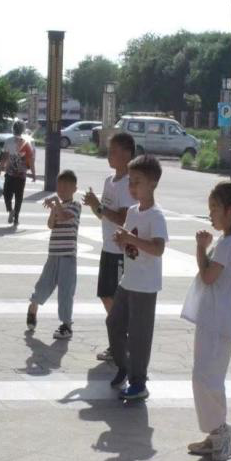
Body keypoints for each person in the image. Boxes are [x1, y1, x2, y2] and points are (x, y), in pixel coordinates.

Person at [181, 178, 231, 461]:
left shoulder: (228, 244)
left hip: (216, 321)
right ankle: (215, 434)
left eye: (214, 208)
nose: (210, 214)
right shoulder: (229, 242)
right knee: (206, 376)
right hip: (214, 319)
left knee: (207, 377)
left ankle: (221, 433)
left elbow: (208, 276)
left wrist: (201, 248)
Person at [107, 155, 168, 401]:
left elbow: (158, 248)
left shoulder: (156, 215)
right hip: (128, 280)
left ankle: (139, 382)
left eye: (137, 182)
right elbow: (130, 242)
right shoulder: (132, 211)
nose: (132, 187)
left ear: (153, 183)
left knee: (139, 335)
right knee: (114, 323)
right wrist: (122, 241)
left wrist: (130, 239)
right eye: (130, 182)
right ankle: (125, 366)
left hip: (145, 285)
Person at [81, 132, 137, 363]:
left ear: (127, 154)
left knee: (116, 297)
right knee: (105, 295)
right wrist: (94, 205)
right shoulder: (109, 181)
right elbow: (103, 215)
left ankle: (120, 343)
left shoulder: (128, 184)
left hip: (121, 251)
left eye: (113, 151)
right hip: (108, 248)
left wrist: (100, 207)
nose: (109, 155)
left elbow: (123, 218)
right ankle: (120, 339)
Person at [26, 170, 81, 339]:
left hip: (68, 255)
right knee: (44, 284)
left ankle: (66, 324)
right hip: (54, 254)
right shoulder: (58, 206)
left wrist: (56, 204)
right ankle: (33, 307)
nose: (62, 190)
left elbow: (64, 217)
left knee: (66, 290)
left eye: (66, 187)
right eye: (59, 187)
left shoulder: (75, 205)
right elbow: (51, 224)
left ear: (74, 189)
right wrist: (53, 209)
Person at [0, 121, 36, 226]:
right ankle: (16, 218)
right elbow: (31, 160)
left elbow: (4, 158)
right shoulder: (27, 142)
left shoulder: (8, 141)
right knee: (19, 197)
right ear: (23, 130)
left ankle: (10, 210)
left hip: (10, 174)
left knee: (6, 194)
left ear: (13, 129)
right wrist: (33, 173)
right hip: (21, 175)